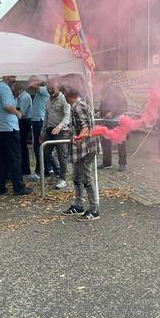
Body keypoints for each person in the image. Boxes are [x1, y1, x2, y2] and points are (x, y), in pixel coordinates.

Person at [61, 86, 100, 221]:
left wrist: (79, 137)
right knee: (76, 177)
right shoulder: (75, 106)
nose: (63, 95)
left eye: (64, 93)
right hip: (79, 148)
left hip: (86, 148)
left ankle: (94, 210)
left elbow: (86, 128)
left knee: (86, 178)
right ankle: (78, 205)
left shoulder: (78, 107)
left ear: (68, 93)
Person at [0, 76, 33, 196]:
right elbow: (7, 105)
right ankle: (18, 187)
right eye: (13, 76)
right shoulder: (5, 88)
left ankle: (0, 187)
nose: (14, 78)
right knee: (15, 158)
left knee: (1, 159)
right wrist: (17, 112)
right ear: (6, 76)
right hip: (9, 127)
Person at [41, 80, 70, 189]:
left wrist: (60, 126)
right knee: (45, 152)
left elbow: (67, 116)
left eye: (53, 92)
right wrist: (42, 132)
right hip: (49, 130)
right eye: (49, 92)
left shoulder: (64, 99)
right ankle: (57, 171)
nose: (51, 94)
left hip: (61, 131)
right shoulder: (47, 101)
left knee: (62, 155)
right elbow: (46, 117)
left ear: (58, 87)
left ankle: (63, 179)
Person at [97, 80, 128, 172]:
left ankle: (122, 163)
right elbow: (103, 106)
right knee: (105, 143)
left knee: (121, 143)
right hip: (107, 121)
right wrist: (100, 112)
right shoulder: (104, 91)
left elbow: (124, 106)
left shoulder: (116, 89)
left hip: (118, 121)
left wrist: (113, 113)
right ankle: (107, 162)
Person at [26, 76, 50, 181]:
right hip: (37, 120)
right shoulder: (41, 92)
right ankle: (46, 169)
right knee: (39, 146)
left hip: (40, 120)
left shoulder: (44, 90)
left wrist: (37, 80)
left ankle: (39, 171)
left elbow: (31, 85)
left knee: (38, 146)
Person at [14, 83, 33, 176]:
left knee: (23, 145)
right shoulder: (19, 98)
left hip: (24, 122)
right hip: (22, 122)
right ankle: (23, 167)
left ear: (19, 89)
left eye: (15, 91)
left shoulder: (25, 97)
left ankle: (25, 169)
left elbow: (22, 113)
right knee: (21, 145)